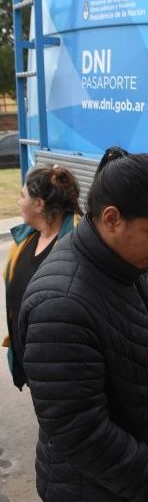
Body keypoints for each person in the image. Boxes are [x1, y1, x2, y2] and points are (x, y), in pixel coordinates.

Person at [17, 148, 148, 502]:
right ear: (112, 219)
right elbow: (80, 433)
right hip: (96, 500)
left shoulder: (140, 264)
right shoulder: (59, 304)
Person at [3, 165, 81, 390]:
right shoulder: (24, 241)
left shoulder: (77, 241)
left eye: (22, 196)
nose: (18, 202)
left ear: (39, 204)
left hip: (65, 368)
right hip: (33, 363)